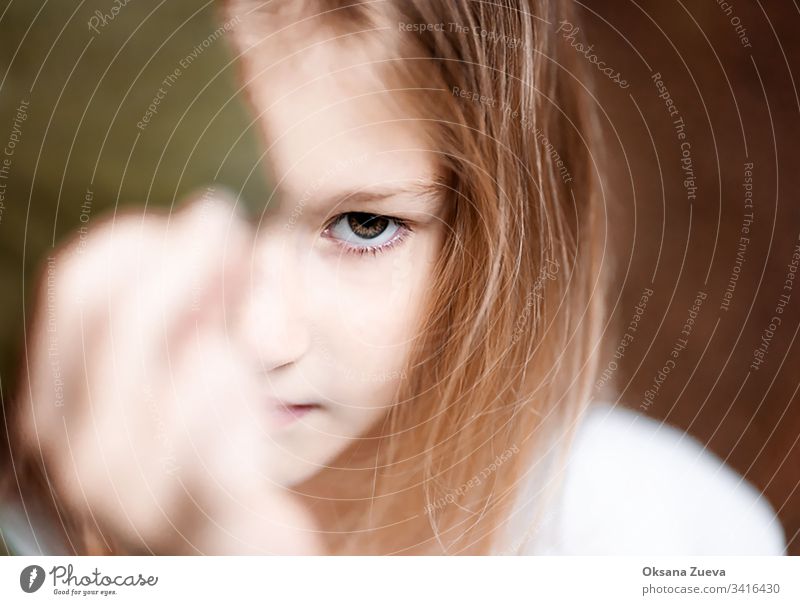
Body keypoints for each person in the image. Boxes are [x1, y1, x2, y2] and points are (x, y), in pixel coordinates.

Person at [0, 0, 785, 555]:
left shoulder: (648, 531)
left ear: (485, 235)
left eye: (364, 226)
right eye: (173, 215)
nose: (266, 337)